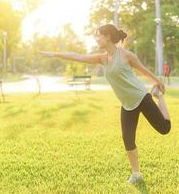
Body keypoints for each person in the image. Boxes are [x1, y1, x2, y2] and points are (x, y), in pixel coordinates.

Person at [38, 24, 171, 184]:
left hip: (141, 97)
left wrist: (158, 82)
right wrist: (55, 54)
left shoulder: (126, 55)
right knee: (127, 139)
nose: (96, 38)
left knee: (164, 129)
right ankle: (136, 174)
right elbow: (78, 56)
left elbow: (142, 70)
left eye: (98, 35)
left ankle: (159, 97)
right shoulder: (102, 58)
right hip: (127, 103)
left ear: (107, 36)